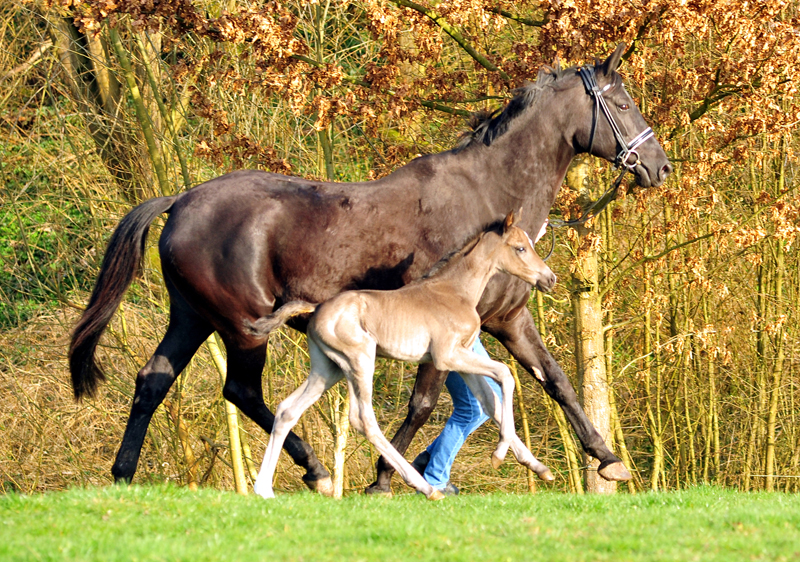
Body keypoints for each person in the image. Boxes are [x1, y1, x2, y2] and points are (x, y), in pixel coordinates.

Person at [411, 219, 548, 495]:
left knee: (483, 404)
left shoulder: (475, 240)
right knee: (475, 408)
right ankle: (434, 475)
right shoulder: (474, 244)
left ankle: (428, 462)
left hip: (460, 323)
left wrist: (533, 236)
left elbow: (514, 252)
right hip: (452, 327)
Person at [411, 337, 502, 496]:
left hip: (470, 335)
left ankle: (427, 460)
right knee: (470, 411)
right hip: (456, 337)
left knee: (495, 399)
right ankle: (435, 479)